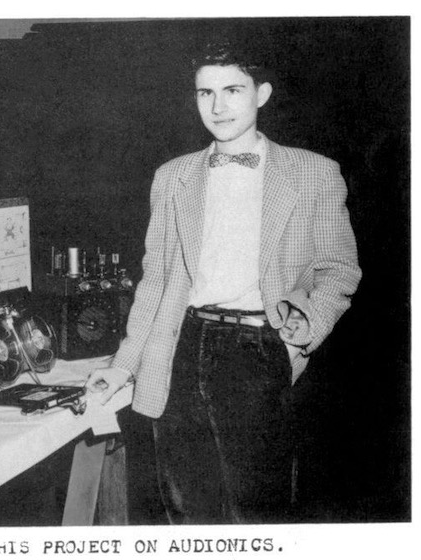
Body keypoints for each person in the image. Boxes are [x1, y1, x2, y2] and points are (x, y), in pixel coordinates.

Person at [86, 41, 361, 524]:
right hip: (181, 350)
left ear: (263, 94)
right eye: (204, 93)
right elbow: (156, 281)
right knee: (186, 512)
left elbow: (339, 269)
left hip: (260, 351)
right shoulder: (171, 178)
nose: (218, 106)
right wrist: (123, 365)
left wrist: (305, 330)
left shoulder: (315, 173)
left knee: (258, 515)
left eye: (233, 90)